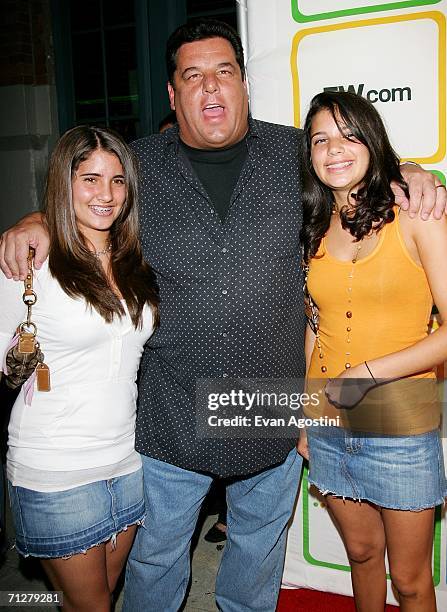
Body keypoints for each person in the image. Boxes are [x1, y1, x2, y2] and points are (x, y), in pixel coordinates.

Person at [0, 19, 445, 612]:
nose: (211, 88)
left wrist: (416, 175)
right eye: (193, 76)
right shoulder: (136, 167)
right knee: (155, 562)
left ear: (244, 82)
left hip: (270, 406)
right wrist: (34, 220)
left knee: (257, 557)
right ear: (172, 93)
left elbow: (362, 171)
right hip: (171, 411)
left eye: (224, 72)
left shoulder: (300, 154)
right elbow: (83, 196)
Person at [298, 91, 447, 612]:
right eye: (320, 139)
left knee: (410, 583)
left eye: (348, 135)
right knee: (361, 553)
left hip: (401, 422)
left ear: (373, 139)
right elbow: (315, 326)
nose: (334, 149)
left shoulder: (416, 213)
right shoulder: (315, 226)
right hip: (329, 422)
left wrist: (367, 372)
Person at [0, 126, 158, 612]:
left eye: (117, 180)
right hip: (56, 467)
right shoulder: (29, 262)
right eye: (89, 179)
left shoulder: (132, 259)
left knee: (93, 598)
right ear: (62, 183)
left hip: (126, 461)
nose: (106, 194)